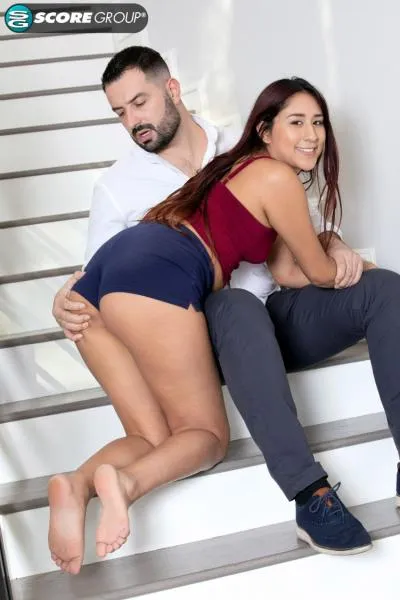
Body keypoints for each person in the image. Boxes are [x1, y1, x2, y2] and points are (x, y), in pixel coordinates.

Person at [49, 58, 372, 575]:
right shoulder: (262, 173)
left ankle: (76, 484)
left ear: (173, 90)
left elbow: (287, 263)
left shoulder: (230, 155)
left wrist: (330, 241)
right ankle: (125, 485)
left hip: (113, 289)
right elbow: (313, 268)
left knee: (151, 438)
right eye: (120, 112)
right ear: (269, 133)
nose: (308, 138)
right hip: (153, 291)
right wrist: (360, 267)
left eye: (140, 102)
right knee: (205, 436)